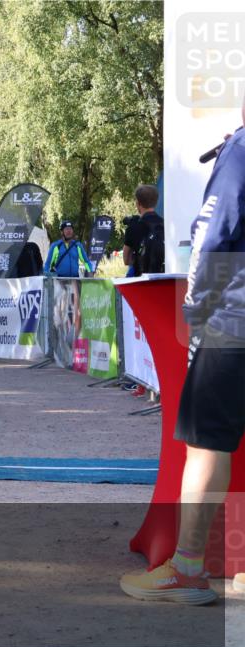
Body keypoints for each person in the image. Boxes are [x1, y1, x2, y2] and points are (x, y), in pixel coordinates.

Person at [119, 106, 245, 605]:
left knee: (206, 443)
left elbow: (213, 237)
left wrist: (195, 309)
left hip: (234, 319)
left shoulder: (240, 149)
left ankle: (188, 569)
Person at [123, 185, 162, 278]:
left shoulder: (133, 226)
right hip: (163, 280)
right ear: (156, 203)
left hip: (141, 281)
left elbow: (126, 260)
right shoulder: (164, 224)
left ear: (138, 203)